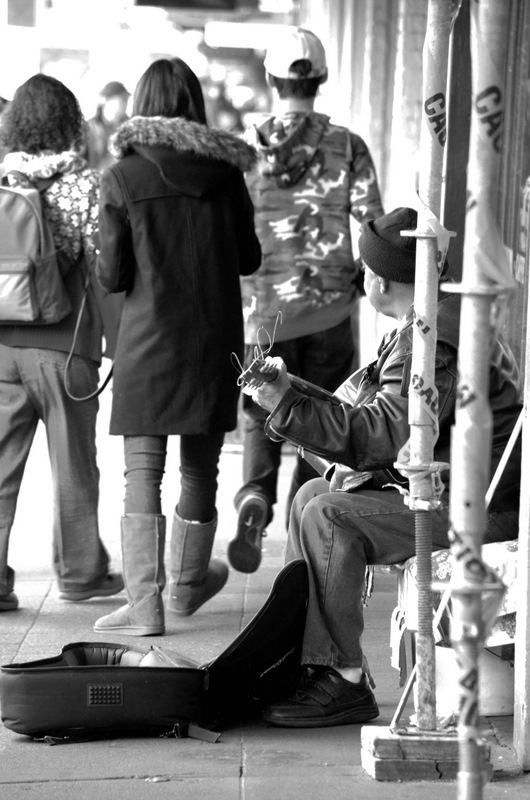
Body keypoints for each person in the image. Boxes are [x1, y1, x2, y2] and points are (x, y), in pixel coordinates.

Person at [243, 206, 521, 727]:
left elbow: (387, 435)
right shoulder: (426, 323)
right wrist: (292, 393)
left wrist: (288, 405)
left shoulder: (429, 339)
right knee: (309, 498)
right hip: (455, 490)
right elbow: (380, 420)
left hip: (478, 509)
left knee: (329, 514)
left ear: (376, 277)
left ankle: (342, 678)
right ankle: (317, 663)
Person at [93, 57, 262, 637]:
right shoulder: (227, 174)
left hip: (147, 344)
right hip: (214, 342)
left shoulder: (122, 178)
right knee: (200, 469)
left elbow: (113, 276)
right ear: (195, 105)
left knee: (142, 471)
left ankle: (146, 608)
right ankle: (187, 587)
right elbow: (249, 258)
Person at [229, 27, 385, 575]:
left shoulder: (242, 150)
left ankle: (254, 495)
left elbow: (229, 229)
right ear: (319, 79)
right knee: (320, 417)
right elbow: (372, 230)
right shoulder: (349, 145)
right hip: (330, 309)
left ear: (272, 79)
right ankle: (304, 536)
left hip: (262, 309)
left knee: (258, 413)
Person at [0, 74, 124, 612]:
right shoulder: (85, 186)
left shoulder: (2, 179)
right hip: (65, 349)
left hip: (2, 349)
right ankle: (80, 574)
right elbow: (106, 269)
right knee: (75, 466)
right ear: (70, 122)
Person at [84, 80, 130, 171]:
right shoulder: (88, 128)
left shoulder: (129, 127)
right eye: (122, 99)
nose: (125, 104)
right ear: (105, 100)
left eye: (126, 99)